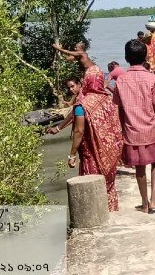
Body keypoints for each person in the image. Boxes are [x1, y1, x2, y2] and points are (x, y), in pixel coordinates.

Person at [113, 39, 155, 214]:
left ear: (126, 58)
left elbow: (120, 109)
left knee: (139, 166)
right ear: (144, 57)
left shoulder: (120, 81)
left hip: (132, 130)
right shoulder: (152, 79)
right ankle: (154, 199)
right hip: (151, 129)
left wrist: (121, 129)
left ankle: (144, 203)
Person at [67, 65, 124, 211]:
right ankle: (111, 207)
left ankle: (96, 211)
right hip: (110, 153)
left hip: (90, 154)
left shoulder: (82, 106)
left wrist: (72, 154)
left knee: (92, 181)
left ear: (85, 81)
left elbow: (79, 132)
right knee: (108, 183)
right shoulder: (109, 100)